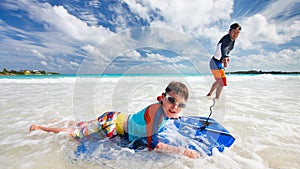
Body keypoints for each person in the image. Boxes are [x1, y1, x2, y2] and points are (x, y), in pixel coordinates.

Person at [30, 81, 200, 159]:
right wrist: (183, 151)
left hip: (118, 117)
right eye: (171, 100)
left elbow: (171, 111)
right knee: (75, 134)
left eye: (181, 105)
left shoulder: (166, 107)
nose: (175, 107)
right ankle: (40, 128)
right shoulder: (156, 114)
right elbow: (154, 146)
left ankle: (58, 120)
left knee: (84, 124)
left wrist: (175, 113)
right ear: (163, 97)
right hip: (111, 124)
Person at [207, 23, 241, 99]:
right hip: (215, 63)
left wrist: (226, 57)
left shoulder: (232, 41)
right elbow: (224, 48)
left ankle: (209, 94)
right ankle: (217, 100)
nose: (236, 34)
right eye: (234, 32)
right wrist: (225, 56)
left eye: (238, 33)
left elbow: (226, 50)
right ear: (229, 31)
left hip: (218, 63)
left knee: (219, 81)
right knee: (222, 82)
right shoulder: (226, 38)